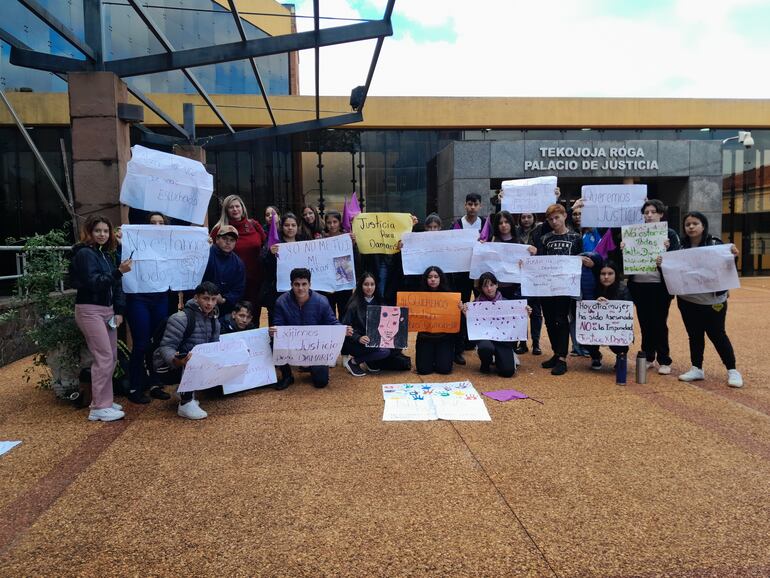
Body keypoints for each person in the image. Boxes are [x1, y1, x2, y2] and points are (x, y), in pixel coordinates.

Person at [71, 215, 132, 422]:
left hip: (107, 311)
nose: (102, 235)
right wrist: (118, 271)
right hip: (90, 310)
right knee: (104, 357)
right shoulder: (85, 254)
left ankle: (104, 400)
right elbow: (94, 283)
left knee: (111, 357)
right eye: (97, 230)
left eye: (105, 231)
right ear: (89, 232)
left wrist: (119, 311)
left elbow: (115, 285)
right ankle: (99, 407)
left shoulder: (104, 254)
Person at [675, 212, 743, 387]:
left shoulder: (715, 244)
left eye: (695, 223)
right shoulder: (680, 247)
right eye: (688, 224)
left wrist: (734, 256)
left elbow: (728, 267)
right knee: (694, 335)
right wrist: (662, 262)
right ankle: (696, 368)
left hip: (713, 301)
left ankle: (732, 370)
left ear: (703, 225)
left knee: (717, 334)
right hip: (687, 300)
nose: (691, 227)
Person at [623, 199, 681, 375]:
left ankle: (664, 359)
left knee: (659, 323)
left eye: (653, 212)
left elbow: (677, 258)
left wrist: (668, 251)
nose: (649, 215)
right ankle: (648, 356)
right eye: (646, 212)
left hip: (660, 286)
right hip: (638, 285)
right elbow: (625, 260)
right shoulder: (634, 233)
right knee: (645, 322)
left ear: (661, 214)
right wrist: (623, 248)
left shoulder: (669, 233)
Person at [270, 268, 353, 389]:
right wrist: (274, 331)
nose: (300, 288)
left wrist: (342, 329)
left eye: (304, 284)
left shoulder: (321, 301)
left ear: (310, 284)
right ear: (291, 285)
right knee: (273, 341)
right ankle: (287, 375)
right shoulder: (281, 302)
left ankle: (310, 365)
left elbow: (331, 321)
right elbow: (279, 325)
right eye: (296, 284)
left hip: (314, 346)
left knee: (321, 382)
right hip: (293, 343)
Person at [153, 281, 221, 420]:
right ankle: (185, 404)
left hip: (188, 363)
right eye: (205, 298)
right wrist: (176, 360)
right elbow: (166, 347)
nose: (209, 303)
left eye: (213, 299)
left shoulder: (215, 321)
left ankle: (184, 391)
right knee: (192, 357)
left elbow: (213, 348)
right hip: (167, 366)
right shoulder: (181, 318)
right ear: (196, 298)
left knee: (206, 357)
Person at [124, 211, 172, 404]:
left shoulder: (171, 245)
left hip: (160, 298)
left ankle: (154, 383)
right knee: (141, 343)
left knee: (157, 343)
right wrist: (120, 242)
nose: (157, 226)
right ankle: (135, 386)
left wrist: (203, 246)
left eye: (161, 222)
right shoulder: (134, 242)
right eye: (153, 222)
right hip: (138, 299)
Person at [535, 203, 583, 375]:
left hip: (566, 286)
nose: (554, 221)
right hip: (546, 286)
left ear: (565, 216)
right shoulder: (545, 238)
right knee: (549, 320)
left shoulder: (576, 238)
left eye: (557, 217)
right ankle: (556, 353)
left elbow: (580, 259)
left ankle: (562, 358)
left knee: (561, 319)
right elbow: (539, 261)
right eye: (550, 219)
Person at [210, 195, 267, 323]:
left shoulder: (254, 225)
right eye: (231, 207)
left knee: (252, 318)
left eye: (237, 206)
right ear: (226, 210)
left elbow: (268, 246)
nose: (235, 209)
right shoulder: (219, 229)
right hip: (230, 285)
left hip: (254, 282)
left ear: (242, 207)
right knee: (232, 320)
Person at [341, 272, 408, 376]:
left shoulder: (380, 302)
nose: (369, 287)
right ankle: (354, 362)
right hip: (357, 342)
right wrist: (358, 338)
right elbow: (345, 328)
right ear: (360, 286)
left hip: (375, 340)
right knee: (384, 351)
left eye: (372, 284)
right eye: (366, 284)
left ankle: (369, 360)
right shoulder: (353, 305)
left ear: (376, 286)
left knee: (397, 346)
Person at [462, 272, 523, 377]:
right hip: (485, 339)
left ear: (497, 285)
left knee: (508, 372)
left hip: (502, 340)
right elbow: (473, 326)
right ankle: (485, 363)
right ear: (481, 288)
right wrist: (466, 314)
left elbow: (516, 323)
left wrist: (525, 313)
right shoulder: (475, 304)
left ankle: (501, 359)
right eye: (485, 286)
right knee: (486, 347)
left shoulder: (507, 303)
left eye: (491, 285)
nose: (489, 288)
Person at [451, 193, 487, 363]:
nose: (472, 207)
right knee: (461, 307)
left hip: (481, 272)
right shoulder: (457, 224)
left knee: (483, 306)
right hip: (462, 272)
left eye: (475, 204)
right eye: (470, 204)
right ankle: (459, 347)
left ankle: (483, 344)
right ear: (465, 205)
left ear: (480, 206)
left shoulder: (486, 223)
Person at [585, 260, 632, 371]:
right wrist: (595, 303)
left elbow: (626, 313)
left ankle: (621, 355)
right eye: (603, 274)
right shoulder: (593, 288)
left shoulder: (623, 289)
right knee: (585, 336)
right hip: (596, 326)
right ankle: (595, 356)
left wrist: (610, 305)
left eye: (610, 273)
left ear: (616, 274)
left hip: (616, 327)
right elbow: (586, 310)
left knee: (619, 344)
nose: (606, 277)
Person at [415, 266, 461, 375]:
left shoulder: (450, 297)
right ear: (426, 279)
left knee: (444, 370)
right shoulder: (418, 296)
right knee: (423, 370)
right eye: (430, 277)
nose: (433, 279)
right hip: (425, 337)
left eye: (436, 277)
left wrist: (460, 308)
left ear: (441, 279)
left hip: (444, 338)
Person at [260, 212, 301, 326]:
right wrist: (270, 254)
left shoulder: (304, 242)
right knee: (276, 323)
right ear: (282, 227)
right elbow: (264, 265)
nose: (290, 228)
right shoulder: (275, 243)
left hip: (298, 292)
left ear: (297, 227)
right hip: (277, 293)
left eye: (293, 225)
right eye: (287, 225)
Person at [514, 212, 544, 355]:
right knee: (521, 310)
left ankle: (536, 343)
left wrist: (537, 252)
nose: (526, 220)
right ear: (519, 219)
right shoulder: (515, 232)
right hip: (518, 277)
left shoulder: (540, 231)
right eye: (523, 217)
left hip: (535, 277)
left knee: (536, 312)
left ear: (534, 218)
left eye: (529, 217)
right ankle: (522, 343)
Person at [202, 225, 246, 317]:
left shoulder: (238, 263)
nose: (228, 242)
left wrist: (224, 299)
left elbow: (238, 289)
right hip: (200, 303)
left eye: (232, 240)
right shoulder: (205, 254)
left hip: (223, 309)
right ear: (217, 239)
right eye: (225, 238)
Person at [323, 210, 355, 320]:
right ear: (325, 223)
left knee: (344, 310)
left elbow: (355, 258)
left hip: (344, 280)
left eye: (335, 222)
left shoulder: (347, 238)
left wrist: (353, 245)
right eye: (329, 222)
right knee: (329, 311)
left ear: (339, 222)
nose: (332, 225)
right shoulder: (321, 239)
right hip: (328, 281)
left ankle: (344, 331)